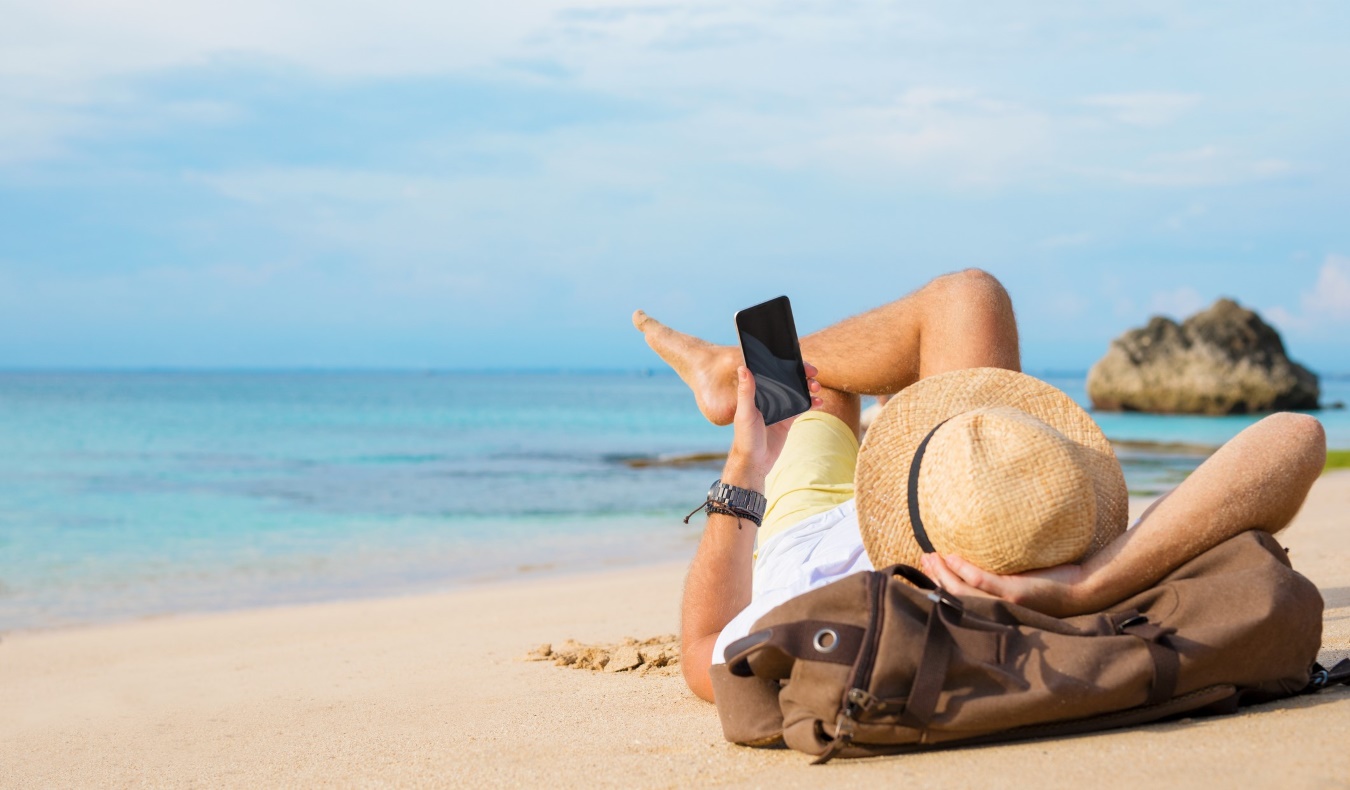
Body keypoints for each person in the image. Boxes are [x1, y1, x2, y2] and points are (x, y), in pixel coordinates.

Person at [632, 269, 1327, 703]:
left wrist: (743, 467)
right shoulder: (1050, 548)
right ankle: (738, 370)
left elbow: (703, 647)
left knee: (821, 401)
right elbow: (1299, 436)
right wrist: (1086, 583)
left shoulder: (829, 618)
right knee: (971, 298)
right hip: (954, 487)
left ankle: (733, 375)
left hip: (815, 528)